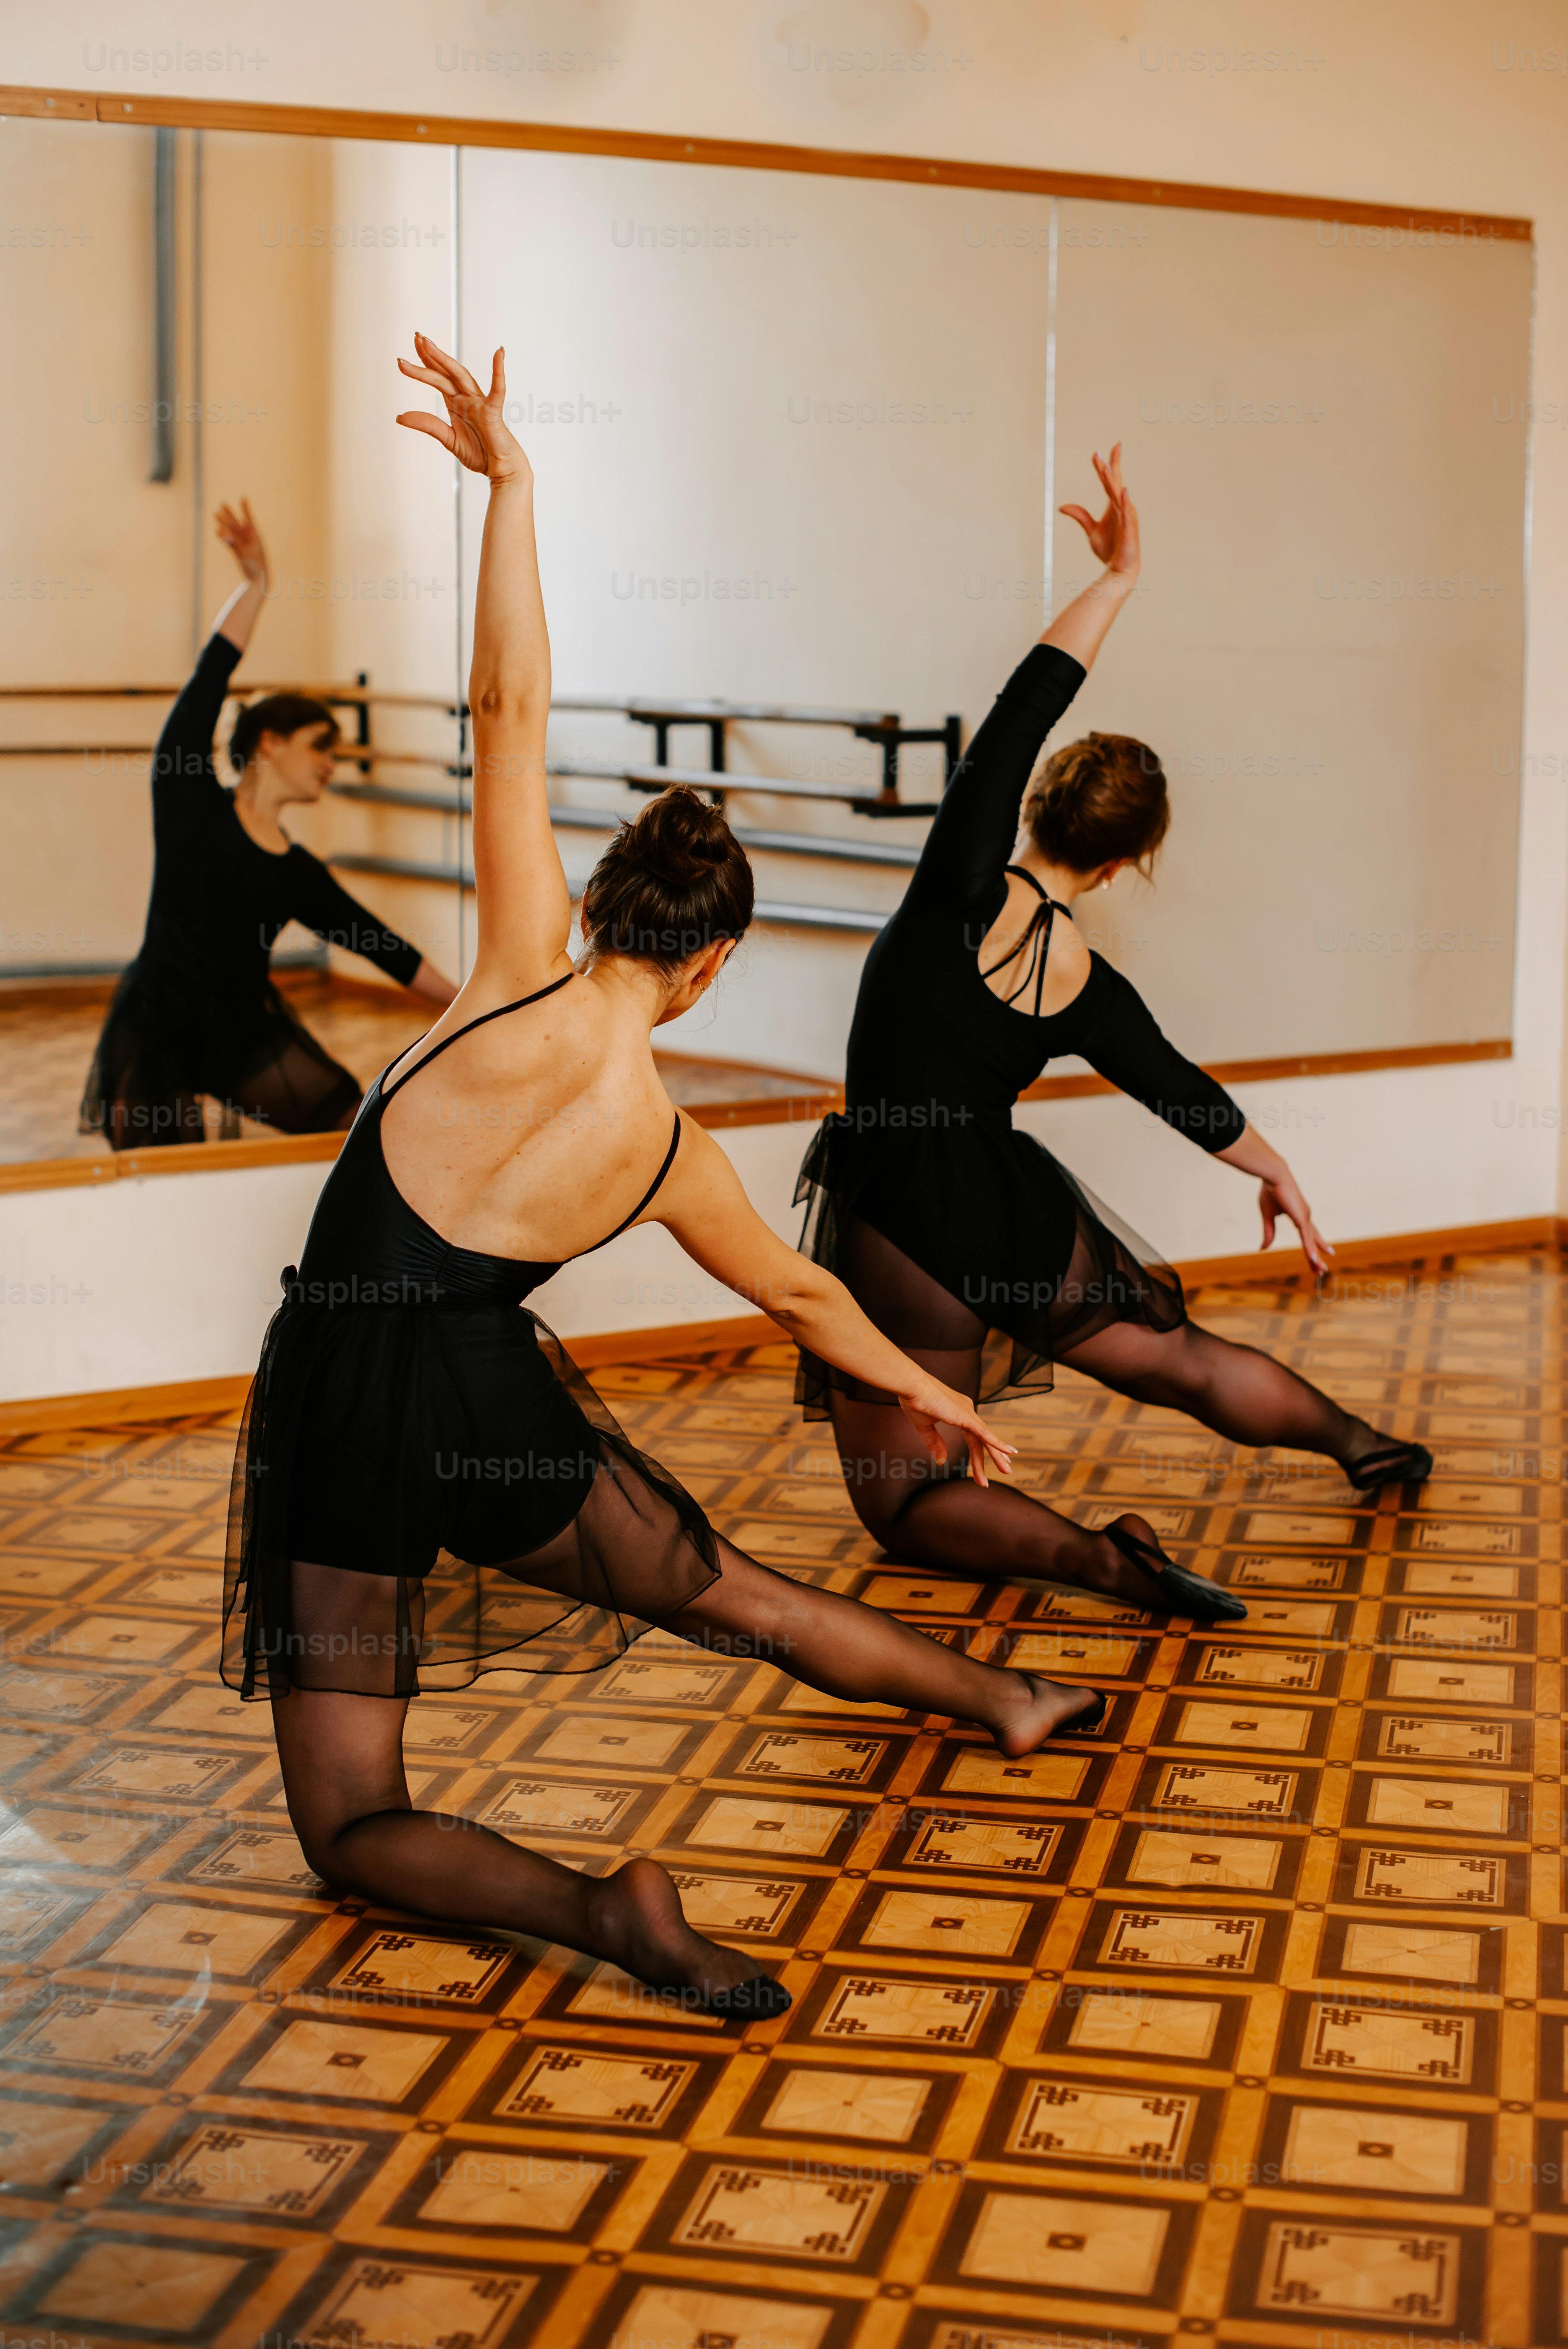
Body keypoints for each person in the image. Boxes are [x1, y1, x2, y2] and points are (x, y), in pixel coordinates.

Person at [222, 336, 1106, 2023]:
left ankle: (606, 1913)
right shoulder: (671, 1149)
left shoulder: (515, 970)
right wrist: (936, 1394)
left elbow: (508, 705)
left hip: (342, 1385)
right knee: (721, 1593)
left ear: (618, 903)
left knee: (354, 1821)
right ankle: (997, 1702)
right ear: (708, 969)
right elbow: (803, 1292)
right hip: (485, 1401)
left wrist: (513, 487)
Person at [795, 444, 1431, 1622]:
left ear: (1027, 804)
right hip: (1008, 1203)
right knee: (1175, 1357)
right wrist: (1277, 1172)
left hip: (902, 1210)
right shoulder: (1091, 986)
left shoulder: (952, 891)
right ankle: (1362, 1444)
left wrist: (1115, 579)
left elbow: (1023, 697)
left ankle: (1107, 1562)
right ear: (1132, 859)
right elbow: (1183, 1093)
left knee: (906, 1506)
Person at [82, 499, 457, 1151]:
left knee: (351, 1128)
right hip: (155, 1027)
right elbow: (207, 681)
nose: (331, 765)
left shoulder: (295, 874)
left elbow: (382, 945)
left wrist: (468, 1007)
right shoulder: (188, 800)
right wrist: (257, 586)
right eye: (321, 746)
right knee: (164, 1185)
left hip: (242, 1037)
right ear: (269, 744)